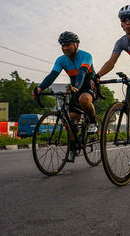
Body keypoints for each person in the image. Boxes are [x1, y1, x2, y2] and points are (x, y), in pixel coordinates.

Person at [32, 31, 96, 162]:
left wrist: (77, 87)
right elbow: (52, 75)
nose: (65, 48)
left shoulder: (86, 56)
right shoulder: (61, 60)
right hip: (74, 89)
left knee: (83, 100)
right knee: (70, 120)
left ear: (77, 45)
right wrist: (40, 88)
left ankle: (93, 122)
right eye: (62, 45)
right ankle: (73, 147)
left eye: (68, 45)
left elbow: (82, 72)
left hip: (87, 86)